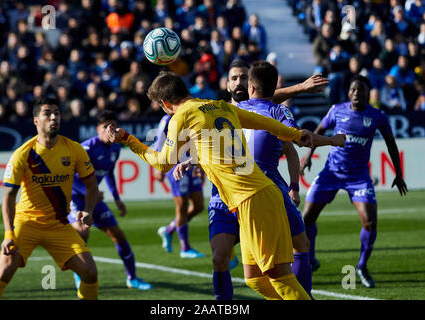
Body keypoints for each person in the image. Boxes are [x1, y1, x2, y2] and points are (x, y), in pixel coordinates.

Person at [106, 70, 341, 300]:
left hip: (254, 198)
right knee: (255, 280)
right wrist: (295, 134)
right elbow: (262, 122)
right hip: (252, 198)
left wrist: (128, 139)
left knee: (280, 277)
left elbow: (162, 163)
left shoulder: (181, 116)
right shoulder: (219, 106)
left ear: (165, 103)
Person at [174, 60, 339, 300]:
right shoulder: (219, 110)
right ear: (227, 83)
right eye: (234, 78)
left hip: (264, 191)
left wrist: (294, 185)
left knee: (291, 252)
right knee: (223, 258)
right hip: (225, 196)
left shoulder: (267, 110)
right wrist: (194, 159)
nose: (239, 82)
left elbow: (276, 113)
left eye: (244, 78)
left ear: (250, 85)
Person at [0, 98, 100, 300]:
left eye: (57, 112)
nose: (54, 117)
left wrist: (88, 210)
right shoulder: (23, 154)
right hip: (27, 223)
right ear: (36, 121)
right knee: (5, 268)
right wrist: (9, 233)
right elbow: (8, 197)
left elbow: (92, 186)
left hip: (59, 225)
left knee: (90, 273)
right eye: (47, 113)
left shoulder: (74, 149)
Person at [300, 75, 408, 288]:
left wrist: (398, 173)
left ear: (369, 93)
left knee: (370, 222)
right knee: (306, 219)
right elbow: (318, 133)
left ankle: (361, 266)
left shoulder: (377, 116)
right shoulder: (336, 110)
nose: (356, 93)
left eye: (361, 90)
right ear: (348, 93)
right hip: (331, 172)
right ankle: (311, 259)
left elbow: (391, 144)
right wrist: (307, 157)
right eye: (353, 90)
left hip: (358, 177)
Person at [68, 110, 152, 290]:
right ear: (97, 129)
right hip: (75, 197)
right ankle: (80, 276)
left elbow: (109, 173)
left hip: (94, 198)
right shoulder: (86, 149)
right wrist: (90, 190)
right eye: (106, 126)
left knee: (118, 236)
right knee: (82, 232)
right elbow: (71, 178)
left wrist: (117, 198)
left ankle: (132, 278)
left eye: (113, 126)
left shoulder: (115, 148)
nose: (110, 129)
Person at [154, 113, 205, 258]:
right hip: (175, 165)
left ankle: (169, 230)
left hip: (191, 162)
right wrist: (159, 167)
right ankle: (185, 248)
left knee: (198, 205)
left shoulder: (191, 114)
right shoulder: (167, 119)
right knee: (182, 206)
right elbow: (159, 141)